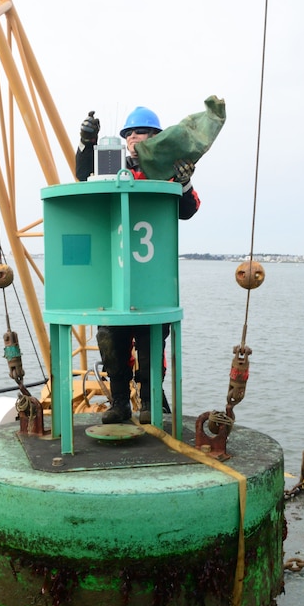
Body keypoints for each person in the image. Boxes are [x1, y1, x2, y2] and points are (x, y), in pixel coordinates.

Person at [76, 107, 201, 424]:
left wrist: (183, 181)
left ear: (157, 138)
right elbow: (85, 178)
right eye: (129, 134)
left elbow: (188, 209)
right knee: (109, 336)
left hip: (150, 274)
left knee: (151, 338)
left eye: (140, 132)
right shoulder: (114, 168)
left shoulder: (167, 173)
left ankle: (149, 401)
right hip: (115, 272)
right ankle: (119, 402)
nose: (133, 138)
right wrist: (87, 144)